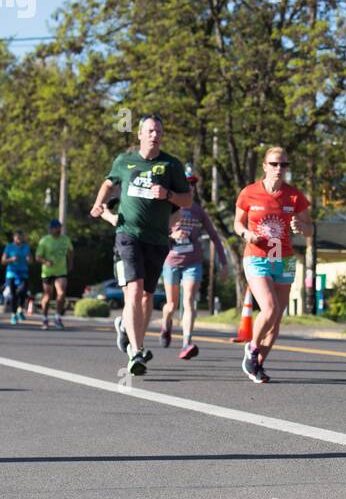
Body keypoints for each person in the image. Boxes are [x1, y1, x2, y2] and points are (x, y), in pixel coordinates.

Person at [90, 115, 192, 375]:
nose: (154, 135)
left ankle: (128, 330)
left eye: (158, 131)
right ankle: (135, 352)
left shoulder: (172, 165)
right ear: (139, 134)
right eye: (149, 130)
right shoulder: (124, 161)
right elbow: (108, 183)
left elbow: (187, 201)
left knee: (147, 298)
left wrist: (168, 194)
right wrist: (99, 202)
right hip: (127, 234)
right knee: (134, 292)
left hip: (157, 239)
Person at [234, 148, 313, 383]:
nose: (280, 169)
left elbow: (311, 229)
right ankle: (252, 347)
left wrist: (302, 227)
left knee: (276, 317)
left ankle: (257, 365)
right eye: (275, 164)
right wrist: (246, 234)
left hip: (284, 259)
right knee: (269, 308)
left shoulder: (294, 196)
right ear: (265, 166)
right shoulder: (249, 193)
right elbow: (237, 223)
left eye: (284, 165)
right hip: (257, 257)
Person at [162, 165, 224, 360]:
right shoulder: (169, 207)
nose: (191, 187)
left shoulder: (198, 210)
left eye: (193, 184)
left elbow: (214, 236)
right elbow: (156, 231)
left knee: (189, 301)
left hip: (193, 261)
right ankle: (166, 323)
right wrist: (172, 234)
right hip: (171, 260)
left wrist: (223, 262)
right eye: (187, 183)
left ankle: (186, 342)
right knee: (172, 305)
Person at [34, 220, 72, 330]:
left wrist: (70, 264)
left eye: (59, 227)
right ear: (50, 229)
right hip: (48, 272)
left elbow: (70, 252)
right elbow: (37, 257)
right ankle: (45, 318)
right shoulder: (45, 241)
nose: (58, 230)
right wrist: (46, 262)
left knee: (61, 293)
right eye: (55, 228)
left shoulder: (65, 239)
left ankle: (57, 317)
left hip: (61, 271)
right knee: (47, 296)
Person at [2, 231, 33, 326]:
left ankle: (20, 310)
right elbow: (3, 261)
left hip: (23, 273)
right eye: (17, 237)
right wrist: (11, 259)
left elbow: (31, 261)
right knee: (12, 294)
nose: (19, 239)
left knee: (22, 291)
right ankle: (13, 314)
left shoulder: (26, 247)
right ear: (14, 237)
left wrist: (29, 259)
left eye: (20, 237)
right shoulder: (9, 247)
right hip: (11, 273)